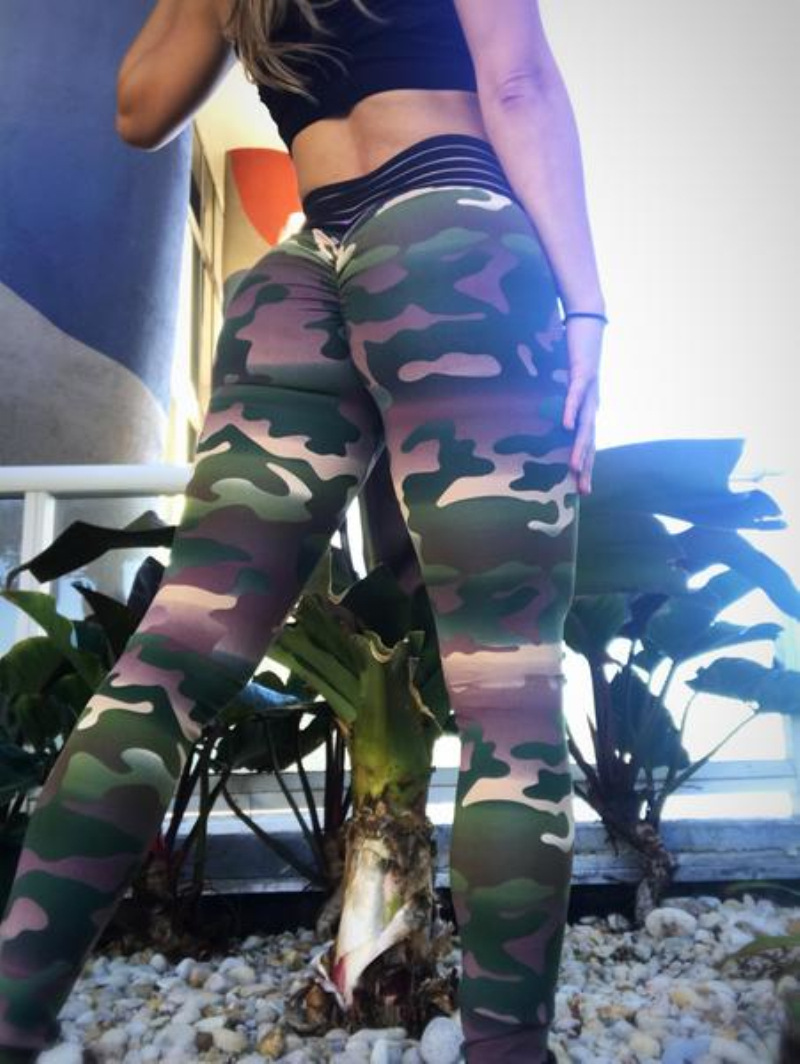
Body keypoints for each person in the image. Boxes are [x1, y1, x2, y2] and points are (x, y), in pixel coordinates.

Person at [0, 1, 606, 1061]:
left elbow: (140, 108)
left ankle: (11, 1019)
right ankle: (508, 1049)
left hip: (296, 273)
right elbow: (516, 81)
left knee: (163, 672)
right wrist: (586, 306)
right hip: (447, 232)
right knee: (507, 688)